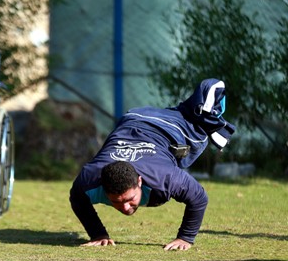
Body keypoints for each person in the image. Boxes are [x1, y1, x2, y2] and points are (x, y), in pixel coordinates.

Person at [69, 78, 236, 250]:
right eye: (116, 202)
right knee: (182, 113)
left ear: (139, 181)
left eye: (129, 199)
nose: (125, 208)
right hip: (133, 118)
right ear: (103, 188)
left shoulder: (164, 177)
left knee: (197, 129)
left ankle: (208, 109)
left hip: (171, 127)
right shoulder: (88, 179)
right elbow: (77, 198)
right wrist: (98, 234)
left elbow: (199, 197)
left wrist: (185, 238)